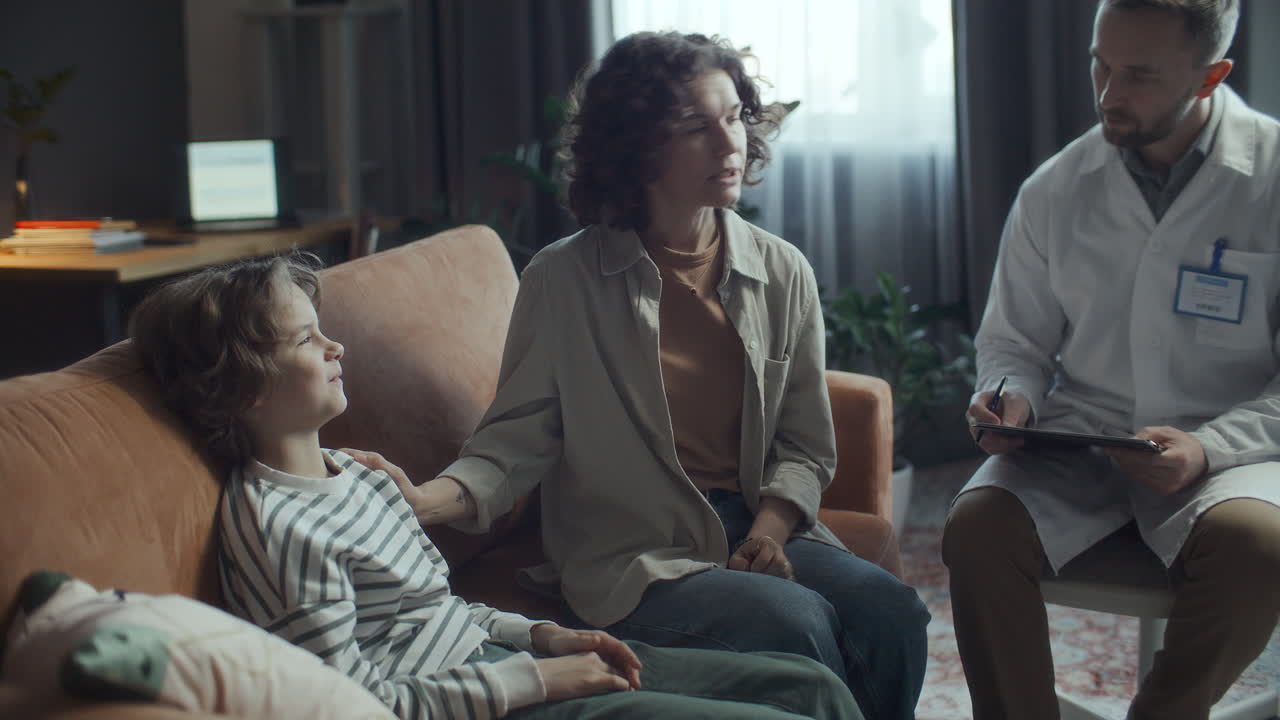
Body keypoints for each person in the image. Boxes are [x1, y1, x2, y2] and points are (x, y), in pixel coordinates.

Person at [380, 31, 929, 720]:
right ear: (637, 147)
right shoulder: (564, 279)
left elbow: (804, 444)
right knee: (798, 624)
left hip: (750, 525)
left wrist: (769, 529)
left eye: (734, 117)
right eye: (697, 128)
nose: (730, 145)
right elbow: (516, 441)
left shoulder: (782, 270)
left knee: (893, 611)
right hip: (634, 552)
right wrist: (426, 502)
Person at [127, 253, 864, 720]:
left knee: (809, 687)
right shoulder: (278, 528)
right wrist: (537, 681)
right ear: (243, 389)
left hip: (504, 662)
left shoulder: (355, 474)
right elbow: (348, 703)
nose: (335, 345)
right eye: (304, 340)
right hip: (486, 702)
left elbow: (440, 609)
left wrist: (543, 636)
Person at [942, 1, 1280, 718]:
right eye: (1100, 63)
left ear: (1212, 75)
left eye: (1138, 75)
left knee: (1260, 545)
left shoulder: (1273, 179)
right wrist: (1011, 399)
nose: (1106, 93)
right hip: (1086, 437)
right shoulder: (1056, 188)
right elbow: (1015, 343)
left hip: (1235, 448)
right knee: (978, 529)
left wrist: (1209, 446)